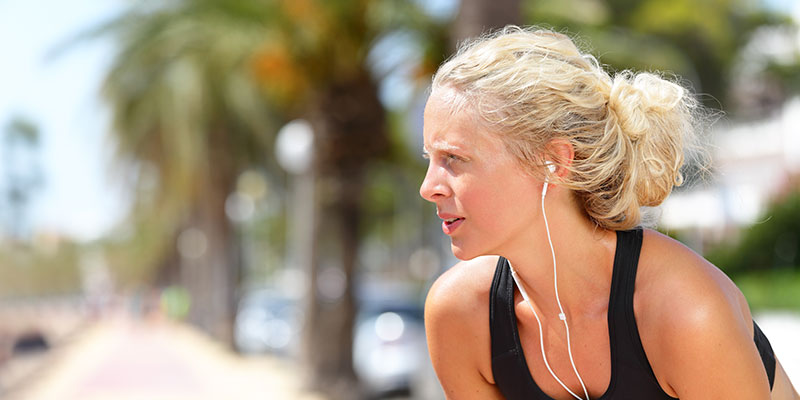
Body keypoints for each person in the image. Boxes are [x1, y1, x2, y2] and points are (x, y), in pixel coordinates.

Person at [419, 26, 799, 400]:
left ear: (554, 162)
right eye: (430, 159)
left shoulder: (682, 308)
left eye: (453, 159)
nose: (428, 186)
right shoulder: (460, 316)